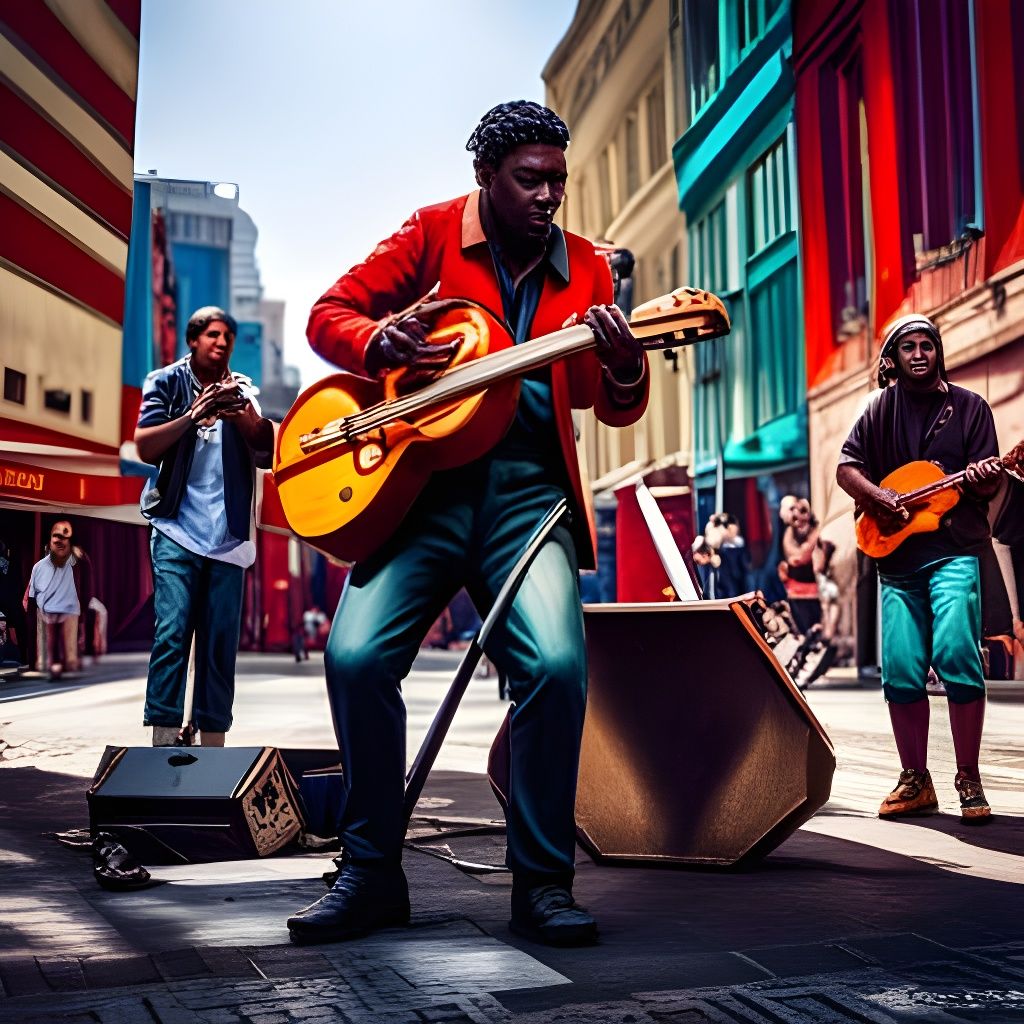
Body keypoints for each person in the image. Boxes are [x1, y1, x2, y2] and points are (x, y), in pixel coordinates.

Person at [288, 101, 648, 948]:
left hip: (529, 494)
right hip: (420, 493)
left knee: (557, 669)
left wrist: (627, 364)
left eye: (558, 180)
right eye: (530, 179)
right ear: (485, 176)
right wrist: (380, 340)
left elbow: (606, 400)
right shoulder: (430, 232)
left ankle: (543, 885)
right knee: (354, 656)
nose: (548, 195)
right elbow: (325, 315)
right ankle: (371, 872)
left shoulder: (591, 267)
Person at [836, 313, 1002, 823]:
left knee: (956, 653)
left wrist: (979, 477)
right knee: (901, 670)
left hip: (954, 550)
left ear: (938, 352)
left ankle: (968, 778)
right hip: (897, 560)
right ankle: (916, 780)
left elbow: (989, 483)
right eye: (908, 347)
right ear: (893, 359)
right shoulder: (877, 410)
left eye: (926, 344)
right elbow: (846, 469)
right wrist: (878, 496)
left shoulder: (970, 408)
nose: (919, 353)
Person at [134, 306, 274, 747]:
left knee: (218, 645)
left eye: (228, 337)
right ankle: (163, 737)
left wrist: (242, 415)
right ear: (193, 340)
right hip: (176, 529)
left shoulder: (244, 391)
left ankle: (213, 744)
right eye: (214, 334)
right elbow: (144, 445)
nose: (223, 342)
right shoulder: (165, 381)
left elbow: (268, 452)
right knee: (173, 632)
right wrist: (195, 414)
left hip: (229, 539)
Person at [26, 519, 80, 679]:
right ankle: (54, 665)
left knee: (52, 640)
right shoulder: (40, 566)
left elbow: (32, 594)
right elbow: (32, 592)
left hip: (55, 609)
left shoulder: (65, 561)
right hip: (53, 609)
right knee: (53, 640)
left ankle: (55, 665)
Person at [777, 497, 825, 638]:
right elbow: (796, 556)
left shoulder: (816, 532)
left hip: (817, 589)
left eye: (802, 511)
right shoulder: (788, 535)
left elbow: (802, 556)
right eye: (792, 510)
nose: (797, 515)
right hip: (798, 591)